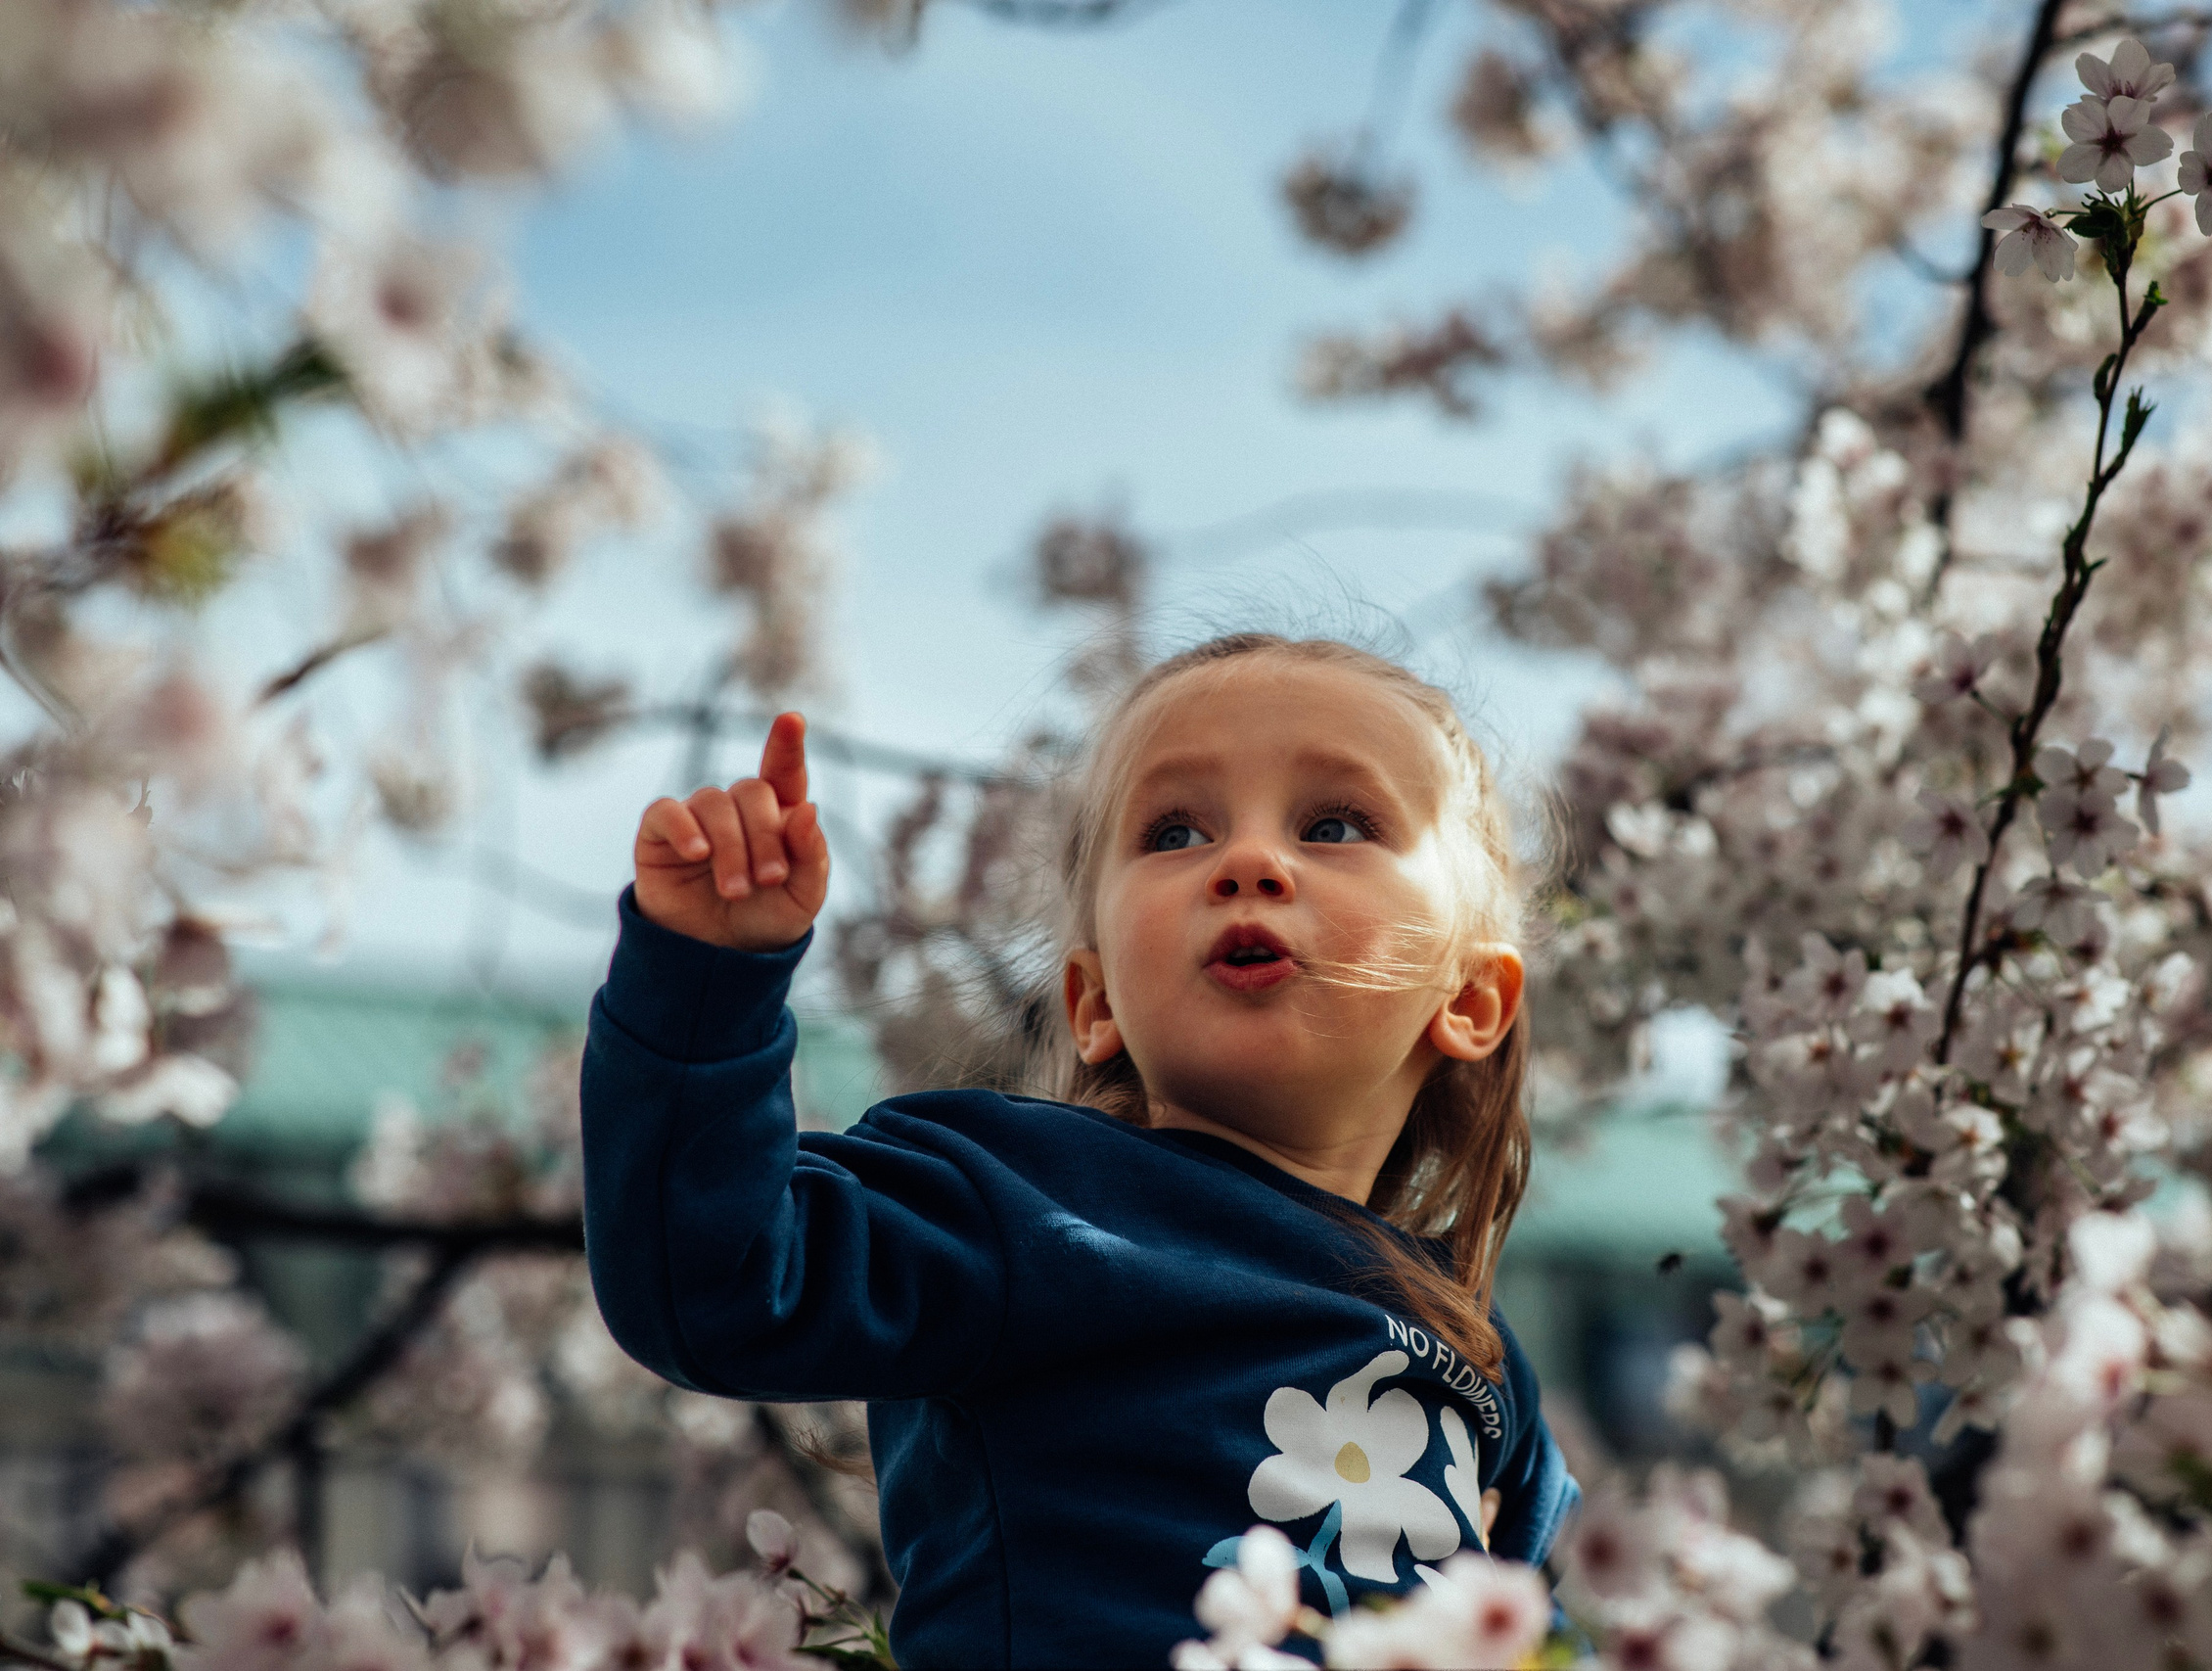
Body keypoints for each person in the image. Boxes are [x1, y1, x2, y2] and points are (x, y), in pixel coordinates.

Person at [580, 633, 1581, 1668]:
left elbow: (1540, 1635)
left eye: (1334, 825)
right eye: (1175, 831)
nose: (1247, 863)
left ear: (1469, 1000)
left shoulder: (1471, 1344)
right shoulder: (1016, 1199)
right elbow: (722, 1281)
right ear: (1094, 1003)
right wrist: (704, 980)